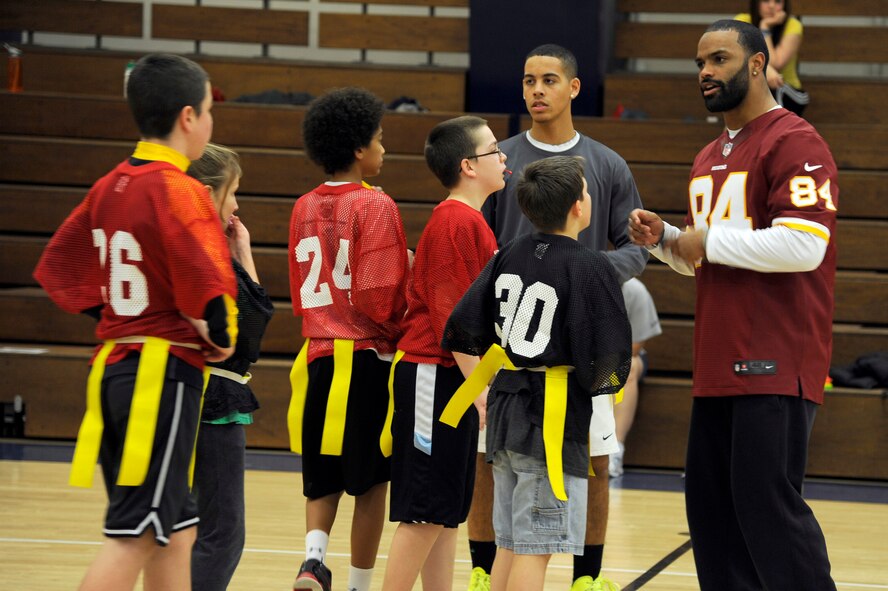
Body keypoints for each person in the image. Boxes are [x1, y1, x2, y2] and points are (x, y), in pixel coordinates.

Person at [628, 19, 838, 591]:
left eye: (718, 60)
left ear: (755, 65)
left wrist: (708, 241)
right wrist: (667, 240)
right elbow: (707, 257)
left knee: (768, 510)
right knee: (713, 515)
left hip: (775, 358)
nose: (704, 72)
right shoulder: (707, 155)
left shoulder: (795, 140)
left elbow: (804, 244)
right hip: (718, 362)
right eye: (699, 63)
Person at [33, 53, 238, 591]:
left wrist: (126, 314)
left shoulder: (108, 185)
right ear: (189, 117)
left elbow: (60, 268)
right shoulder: (182, 189)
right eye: (210, 111)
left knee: (176, 531)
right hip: (158, 377)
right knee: (139, 533)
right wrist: (216, 337)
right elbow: (215, 307)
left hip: (118, 368)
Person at [472, 43, 648, 591]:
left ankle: (587, 577)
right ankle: (481, 570)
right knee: (489, 460)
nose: (537, 90)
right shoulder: (497, 158)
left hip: (576, 348)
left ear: (573, 88)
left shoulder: (607, 163)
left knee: (593, 458)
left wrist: (582, 271)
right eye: (528, 80)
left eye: (549, 80)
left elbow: (637, 246)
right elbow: (476, 244)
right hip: (511, 341)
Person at [443, 155, 632, 591]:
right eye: (584, 191)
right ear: (578, 207)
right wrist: (598, 382)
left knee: (511, 542)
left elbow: (462, 328)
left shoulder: (507, 253)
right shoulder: (590, 265)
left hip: (508, 406)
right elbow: (610, 357)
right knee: (536, 547)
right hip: (551, 415)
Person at [288, 86, 411, 591]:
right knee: (370, 481)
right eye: (380, 140)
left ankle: (313, 559)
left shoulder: (302, 206)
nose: (385, 149)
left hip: (318, 355)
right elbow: (379, 296)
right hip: (366, 359)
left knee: (323, 468)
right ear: (360, 149)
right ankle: (360, 584)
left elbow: (301, 291)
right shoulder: (375, 205)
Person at [381, 116, 505, 591]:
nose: (504, 156)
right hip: (436, 377)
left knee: (447, 512)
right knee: (425, 512)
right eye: (494, 149)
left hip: (453, 378)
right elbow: (455, 324)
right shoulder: (455, 220)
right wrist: (480, 392)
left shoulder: (470, 221)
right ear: (469, 166)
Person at [186, 143, 275, 591]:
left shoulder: (196, 244)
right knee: (222, 533)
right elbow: (250, 335)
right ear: (206, 193)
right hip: (210, 401)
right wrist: (243, 253)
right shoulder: (204, 252)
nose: (237, 205)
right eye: (232, 192)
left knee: (186, 531)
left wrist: (242, 248)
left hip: (190, 399)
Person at [609, 278, 662, 478]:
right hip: (582, 357)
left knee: (628, 367)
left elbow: (636, 346)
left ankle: (615, 450)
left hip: (621, 356)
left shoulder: (634, 290)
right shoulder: (575, 280)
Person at [736, 0, 808, 116]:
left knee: (773, 87)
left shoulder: (793, 25)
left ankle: (775, 131)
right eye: (765, 0)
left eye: (778, 1)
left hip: (788, 90)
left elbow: (776, 63)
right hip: (754, 89)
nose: (771, 6)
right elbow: (736, 55)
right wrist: (766, 69)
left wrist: (765, 27)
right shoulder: (742, 21)